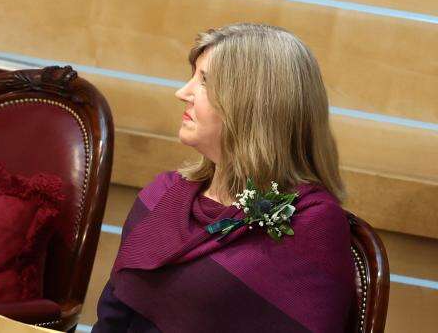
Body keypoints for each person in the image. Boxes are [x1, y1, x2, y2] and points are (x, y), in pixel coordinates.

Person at [94, 23, 354, 332]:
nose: (182, 93)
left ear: (253, 105)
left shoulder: (312, 224)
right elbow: (111, 319)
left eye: (204, 81)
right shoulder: (163, 195)